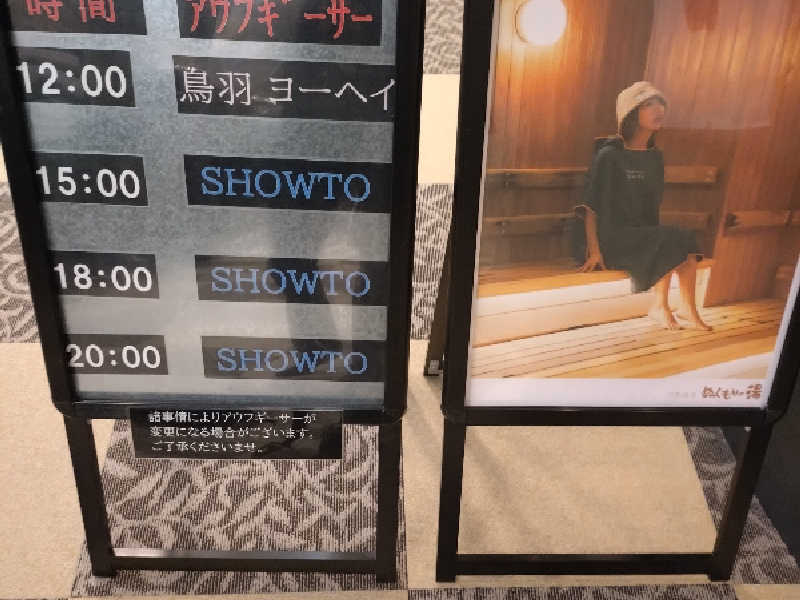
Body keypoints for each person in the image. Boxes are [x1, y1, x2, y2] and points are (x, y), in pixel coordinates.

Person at [576, 81, 711, 331]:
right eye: (648, 104)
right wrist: (594, 251)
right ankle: (660, 307)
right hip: (611, 239)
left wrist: (656, 237)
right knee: (670, 238)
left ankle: (687, 309)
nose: (658, 109)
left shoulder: (655, 158)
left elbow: (652, 208)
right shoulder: (609, 156)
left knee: (681, 241)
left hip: (640, 236)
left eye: (660, 103)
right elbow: (591, 207)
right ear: (630, 113)